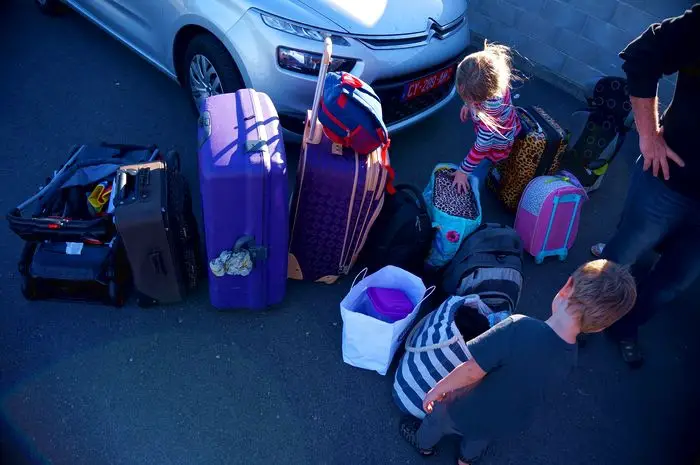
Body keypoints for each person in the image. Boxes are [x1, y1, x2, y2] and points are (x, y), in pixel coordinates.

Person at [399, 260, 637, 464]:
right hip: (506, 419)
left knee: (437, 419)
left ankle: (424, 445)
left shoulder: (518, 327)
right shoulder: (570, 356)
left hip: (463, 408)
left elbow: (471, 370)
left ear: (566, 288)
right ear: (600, 327)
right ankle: (465, 460)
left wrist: (438, 390)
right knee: (479, 438)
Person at [594, 4, 700, 367]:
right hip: (669, 180)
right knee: (619, 260)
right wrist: (648, 136)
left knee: (671, 284)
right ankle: (582, 322)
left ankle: (625, 328)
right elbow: (643, 55)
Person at [452, 41, 521, 194]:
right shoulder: (496, 76)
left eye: (467, 98)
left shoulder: (489, 121)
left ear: (479, 100)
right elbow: (476, 90)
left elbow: (481, 147)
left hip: (496, 144)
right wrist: (467, 105)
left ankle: (474, 190)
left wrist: (463, 171)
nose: (466, 100)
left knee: (479, 168)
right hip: (508, 124)